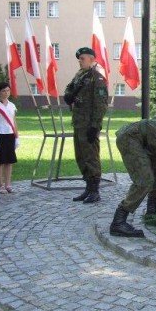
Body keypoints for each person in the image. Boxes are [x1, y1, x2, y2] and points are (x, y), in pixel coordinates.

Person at [64, 47, 108, 204]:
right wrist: (69, 94)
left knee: (91, 157)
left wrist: (95, 126)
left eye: (82, 58)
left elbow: (101, 104)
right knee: (81, 156)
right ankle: (88, 188)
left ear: (91, 59)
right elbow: (68, 91)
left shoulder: (98, 78)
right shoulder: (79, 77)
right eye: (79, 59)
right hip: (78, 123)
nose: (80, 61)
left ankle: (95, 191)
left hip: (89, 125)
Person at [0, 82, 19, 194]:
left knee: (9, 161)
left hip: (10, 135)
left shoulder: (12, 105)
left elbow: (14, 122)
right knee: (0, 161)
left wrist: (17, 137)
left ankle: (8, 184)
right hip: (0, 134)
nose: (6, 93)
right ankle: (1, 185)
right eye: (3, 91)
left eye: (8, 91)